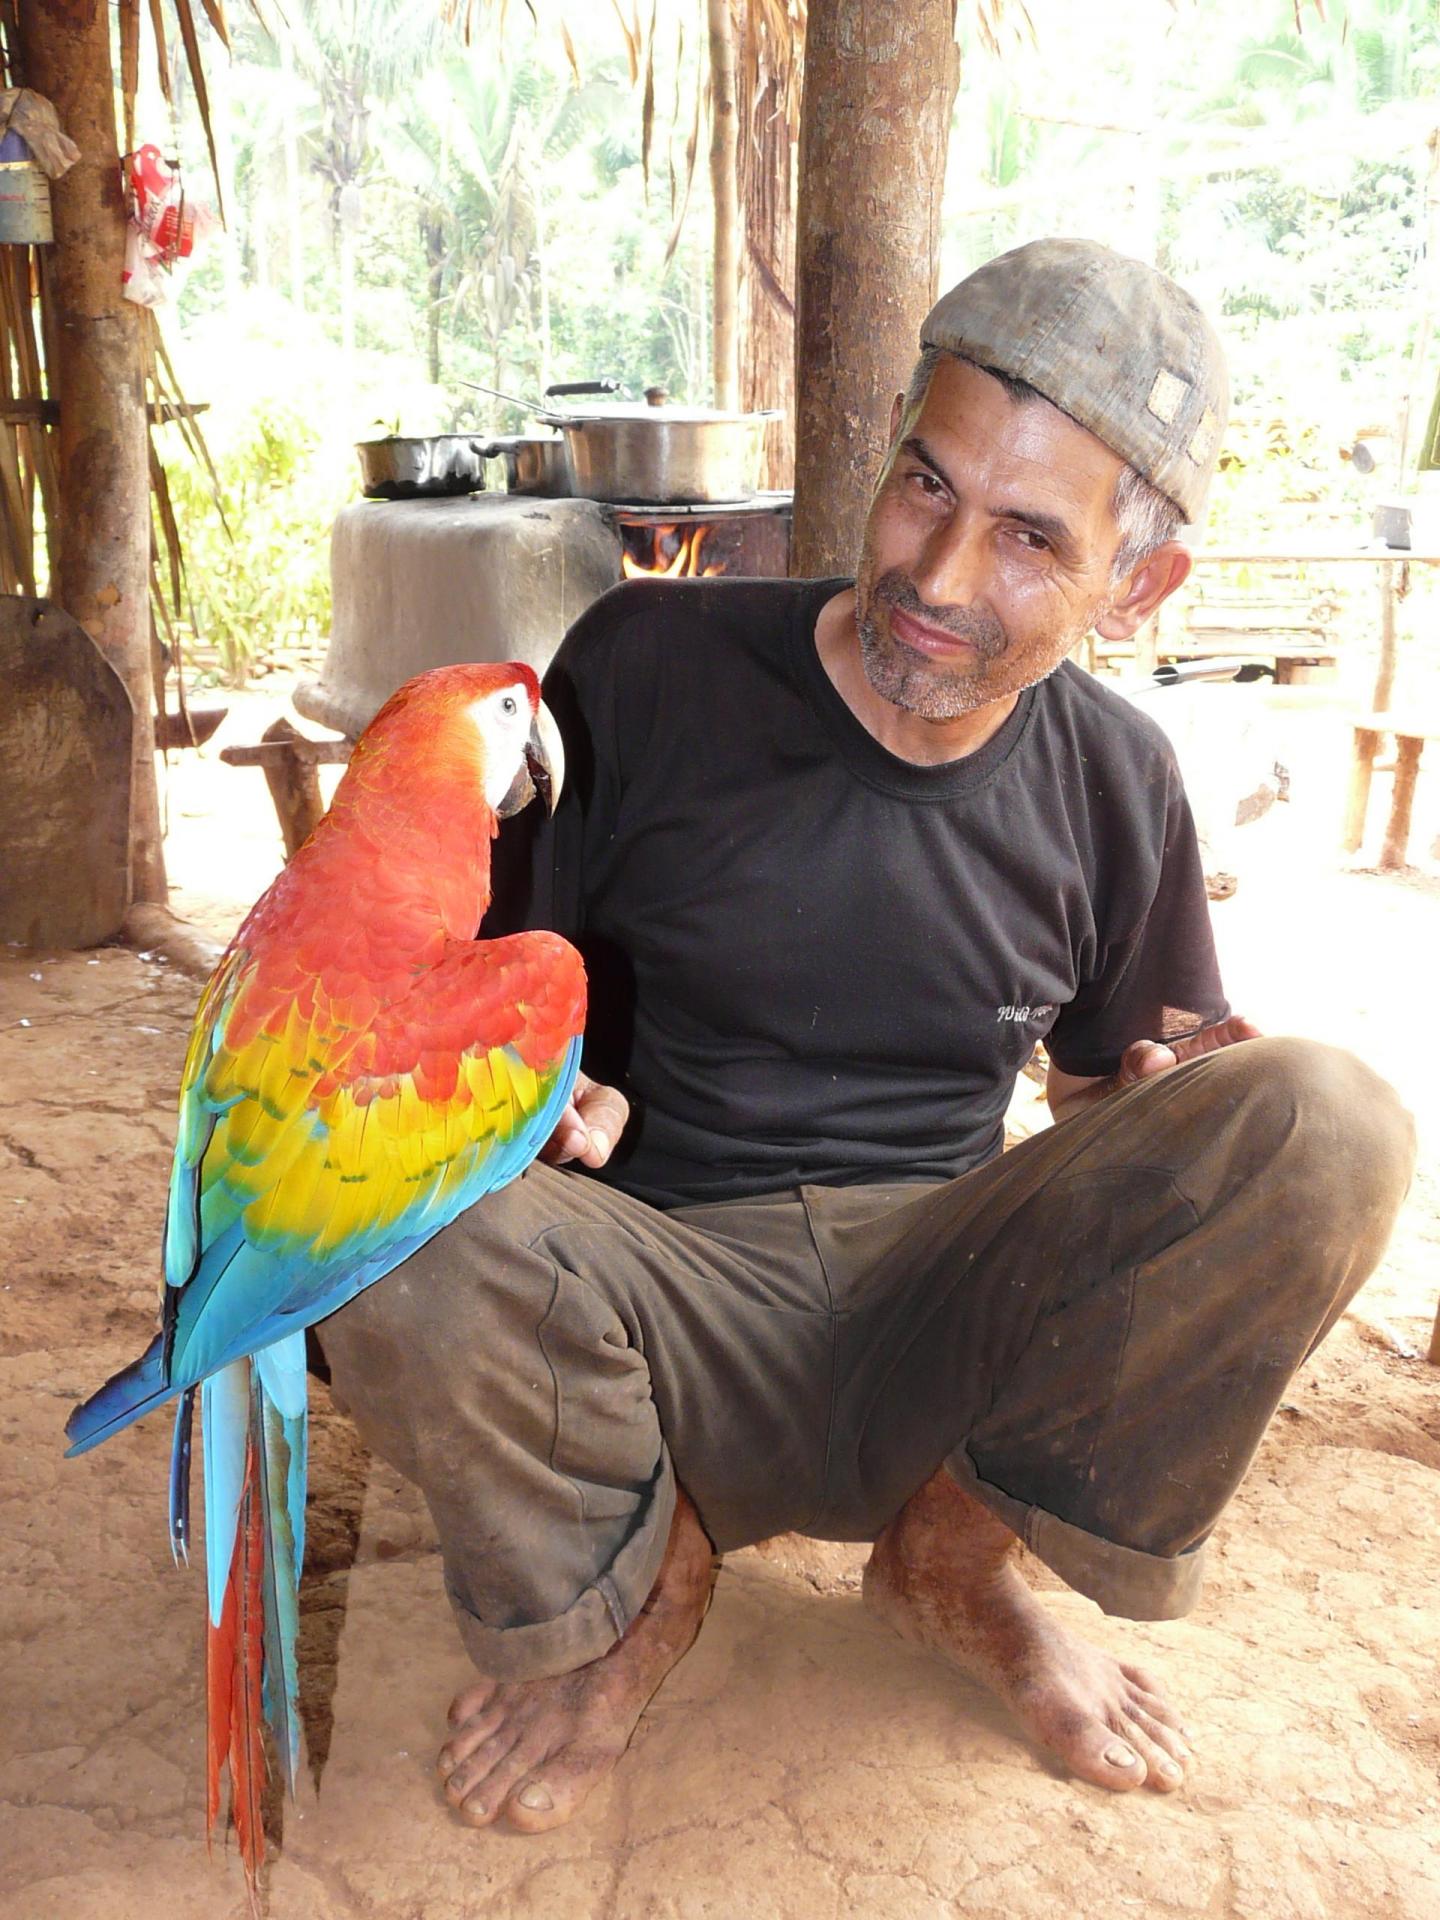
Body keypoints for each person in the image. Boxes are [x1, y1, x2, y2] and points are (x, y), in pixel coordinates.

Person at [317, 238, 1415, 1834]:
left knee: (1326, 1123)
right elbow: (469, 1005)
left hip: (942, 1336)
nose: (942, 575)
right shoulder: (644, 666)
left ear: (1139, 582)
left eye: (1034, 536)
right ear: (889, 445)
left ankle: (956, 1561)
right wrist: (533, 1108)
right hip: (645, 1323)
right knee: (385, 1218)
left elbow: (1122, 1087)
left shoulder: (1117, 777)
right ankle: (644, 1577)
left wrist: (1169, 1106)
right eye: (926, 486)